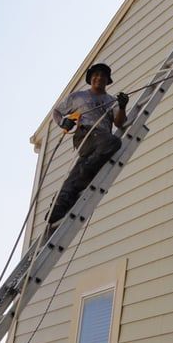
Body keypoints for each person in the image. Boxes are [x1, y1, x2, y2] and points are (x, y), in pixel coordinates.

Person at [46, 62, 128, 231]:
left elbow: (119, 123)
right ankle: (86, 172)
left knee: (76, 176)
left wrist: (122, 106)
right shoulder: (78, 97)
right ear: (91, 78)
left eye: (103, 76)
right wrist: (63, 122)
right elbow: (57, 112)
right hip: (85, 135)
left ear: (107, 80)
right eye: (96, 75)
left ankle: (57, 208)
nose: (99, 78)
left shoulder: (111, 101)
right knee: (113, 142)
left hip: (101, 141)